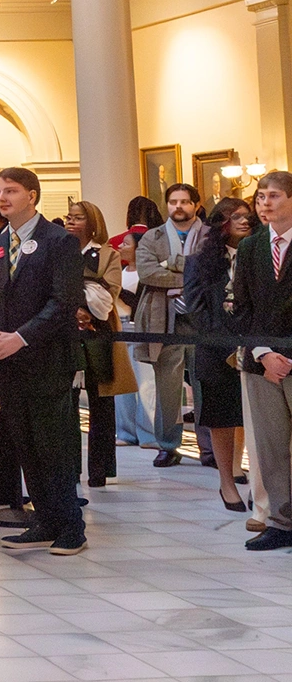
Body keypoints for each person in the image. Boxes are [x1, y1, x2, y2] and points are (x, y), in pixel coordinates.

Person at [0, 167, 87, 555]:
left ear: (32, 195)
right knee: (25, 446)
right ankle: (44, 521)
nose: (1, 197)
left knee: (52, 447)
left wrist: (20, 338)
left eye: (10, 190)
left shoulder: (59, 241)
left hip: (47, 360)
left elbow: (63, 302)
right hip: (7, 366)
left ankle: (71, 527)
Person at [231, 171, 292, 549]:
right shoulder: (251, 247)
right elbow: (242, 308)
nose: (265, 203)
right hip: (262, 362)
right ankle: (281, 522)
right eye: (260, 197)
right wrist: (264, 353)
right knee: (269, 448)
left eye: (274, 196)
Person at [185, 197, 255, 512]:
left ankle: (260, 484)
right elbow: (196, 310)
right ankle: (227, 482)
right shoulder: (200, 261)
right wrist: (226, 343)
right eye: (235, 216)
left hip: (255, 350)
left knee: (254, 420)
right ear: (220, 223)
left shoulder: (257, 255)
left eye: (246, 216)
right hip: (216, 352)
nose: (244, 221)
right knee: (222, 418)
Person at [135, 182, 202, 465]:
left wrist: (169, 263)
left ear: (196, 205)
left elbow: (212, 272)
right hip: (165, 317)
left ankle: (210, 447)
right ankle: (168, 444)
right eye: (173, 201)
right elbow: (147, 273)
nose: (178, 206)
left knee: (205, 384)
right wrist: (191, 274)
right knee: (168, 388)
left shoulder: (209, 236)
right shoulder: (153, 236)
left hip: (202, 318)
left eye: (184, 201)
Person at [65, 199, 126, 490]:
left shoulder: (108, 254)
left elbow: (109, 290)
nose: (71, 222)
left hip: (98, 332)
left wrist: (84, 307)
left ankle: (100, 469)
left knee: (101, 400)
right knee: (67, 402)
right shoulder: (58, 250)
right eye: (69, 217)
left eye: (78, 218)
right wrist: (74, 306)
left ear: (92, 223)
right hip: (64, 331)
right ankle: (69, 468)